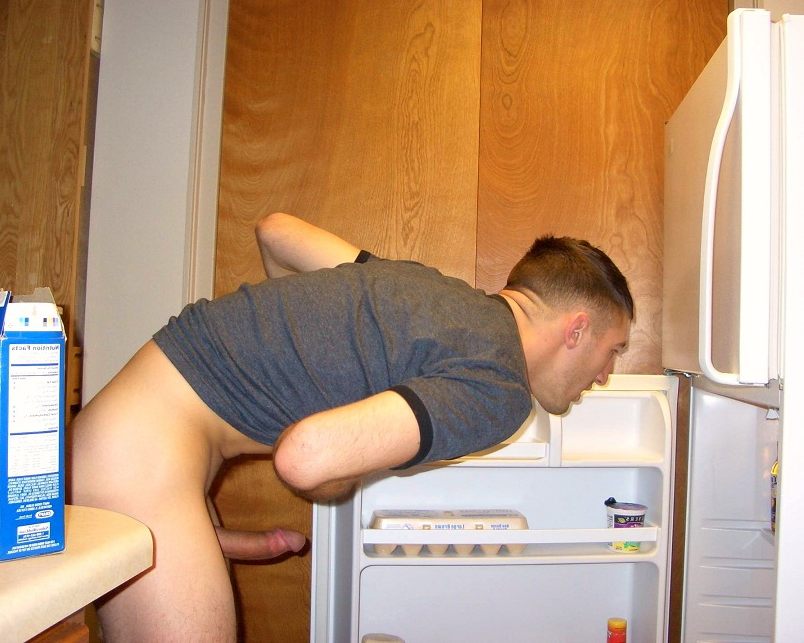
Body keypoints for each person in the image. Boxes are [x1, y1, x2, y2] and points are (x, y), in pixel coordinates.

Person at [71, 212, 632, 641]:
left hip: (140, 424)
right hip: (142, 450)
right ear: (576, 330)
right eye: (613, 350)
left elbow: (277, 232)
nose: (605, 375)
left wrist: (304, 352)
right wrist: (348, 468)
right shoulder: (501, 390)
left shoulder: (420, 287)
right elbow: (305, 458)